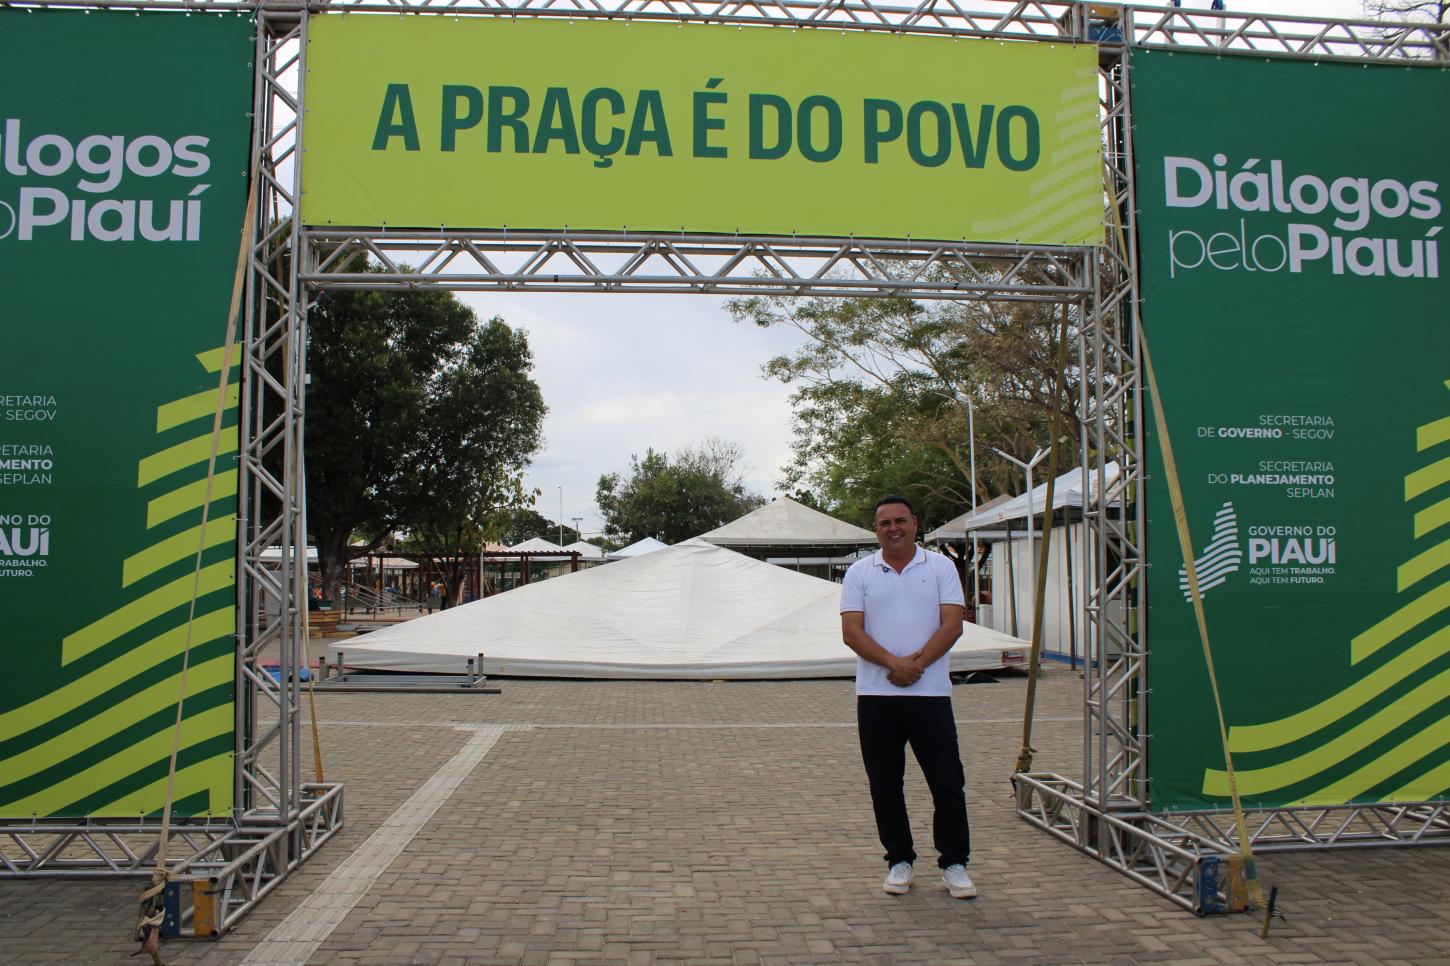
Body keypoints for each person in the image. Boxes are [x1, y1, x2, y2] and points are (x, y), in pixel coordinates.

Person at [840, 495, 975, 899]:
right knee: (885, 784)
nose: (893, 528)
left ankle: (954, 863)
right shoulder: (859, 572)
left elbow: (952, 626)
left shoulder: (940, 567)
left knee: (948, 783)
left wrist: (915, 666)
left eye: (901, 520)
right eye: (885, 523)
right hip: (876, 696)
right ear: (876, 529)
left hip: (930, 694)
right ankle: (899, 860)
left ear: (915, 523)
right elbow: (852, 632)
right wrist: (892, 665)